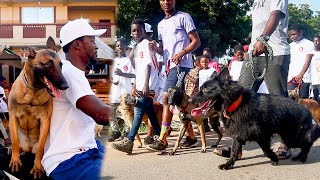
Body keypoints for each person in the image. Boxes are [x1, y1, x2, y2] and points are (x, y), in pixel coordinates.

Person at [214, 0, 291, 159]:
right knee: (238, 98)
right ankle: (237, 150)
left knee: (280, 99)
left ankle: (286, 141)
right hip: (254, 53)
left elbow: (275, 15)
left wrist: (263, 39)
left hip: (275, 51)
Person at [41, 19, 110, 179]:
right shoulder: (68, 71)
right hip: (69, 159)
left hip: (85, 152)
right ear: (77, 44)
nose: (96, 45)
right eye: (92, 40)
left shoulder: (72, 71)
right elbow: (101, 114)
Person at [147, 0, 201, 151]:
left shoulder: (184, 17)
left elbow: (196, 41)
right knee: (179, 101)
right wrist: (155, 48)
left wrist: (182, 53)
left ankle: (163, 139)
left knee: (166, 97)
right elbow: (163, 49)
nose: (166, 2)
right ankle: (191, 136)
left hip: (182, 66)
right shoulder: (160, 24)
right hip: (169, 68)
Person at [111, 19, 161, 154]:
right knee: (150, 113)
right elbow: (135, 66)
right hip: (141, 85)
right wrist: (135, 86)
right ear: (131, 33)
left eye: (139, 30)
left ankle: (129, 141)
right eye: (134, 30)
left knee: (138, 111)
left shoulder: (145, 44)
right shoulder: (139, 46)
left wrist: (145, 84)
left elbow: (148, 65)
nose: (136, 33)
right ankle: (160, 139)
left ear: (144, 32)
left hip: (148, 85)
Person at [109, 39, 135, 142]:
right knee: (110, 111)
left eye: (122, 45)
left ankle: (127, 131)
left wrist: (122, 74)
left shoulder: (129, 60)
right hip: (115, 90)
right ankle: (115, 131)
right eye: (118, 46)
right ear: (115, 48)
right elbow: (112, 76)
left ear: (125, 47)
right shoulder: (114, 61)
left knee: (126, 112)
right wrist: (112, 79)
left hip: (125, 90)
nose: (120, 47)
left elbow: (134, 74)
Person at [287, 23, 314, 98]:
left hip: (304, 79)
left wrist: (301, 74)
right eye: (290, 35)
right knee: (290, 103)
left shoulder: (309, 44)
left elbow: (307, 61)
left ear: (301, 32)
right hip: (291, 79)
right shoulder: (290, 46)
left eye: (294, 34)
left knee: (303, 103)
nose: (292, 37)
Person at [0, 76, 9, 147]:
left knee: (1, 124)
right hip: (4, 108)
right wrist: (8, 105)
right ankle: (6, 138)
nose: (5, 83)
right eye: (4, 82)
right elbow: (3, 99)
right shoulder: (1, 89)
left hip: (2, 108)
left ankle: (6, 138)